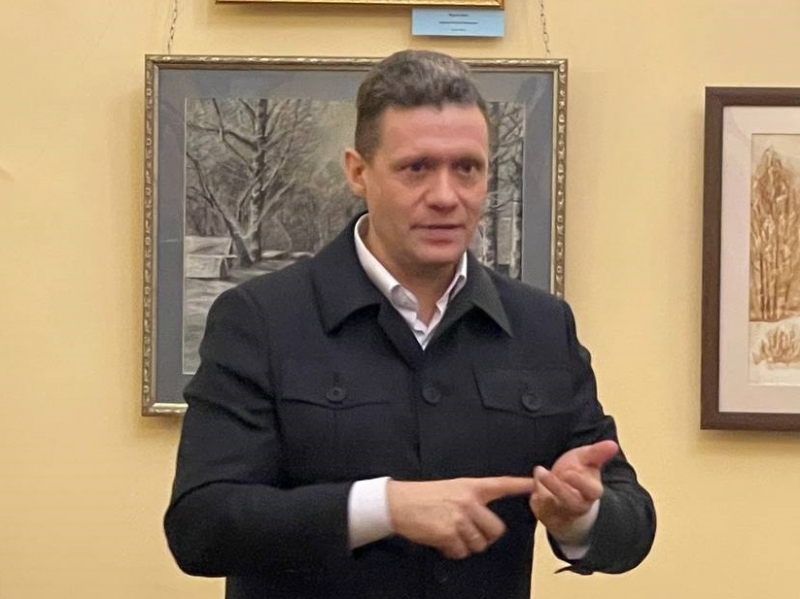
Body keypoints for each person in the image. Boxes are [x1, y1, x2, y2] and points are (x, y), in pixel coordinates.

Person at [164, 49, 656, 599]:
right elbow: (200, 526)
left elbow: (632, 523)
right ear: (358, 172)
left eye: (467, 169)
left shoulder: (542, 326)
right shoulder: (260, 318)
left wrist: (580, 517)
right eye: (416, 168)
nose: (446, 197)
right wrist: (383, 507)